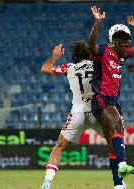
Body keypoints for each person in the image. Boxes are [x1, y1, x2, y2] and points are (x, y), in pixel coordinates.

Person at [89, 6, 134, 189]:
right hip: (100, 98)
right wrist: (97, 23)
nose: (127, 47)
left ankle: (118, 184)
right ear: (114, 42)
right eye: (124, 44)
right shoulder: (103, 52)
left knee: (114, 140)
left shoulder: (122, 55)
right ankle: (122, 165)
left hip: (113, 100)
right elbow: (90, 46)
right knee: (116, 121)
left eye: (128, 43)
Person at [39, 41, 103, 189]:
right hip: (97, 111)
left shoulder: (69, 68)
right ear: (89, 54)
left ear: (74, 56)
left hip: (78, 113)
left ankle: (47, 183)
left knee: (59, 146)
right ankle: (120, 179)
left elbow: (44, 68)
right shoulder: (98, 66)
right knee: (115, 141)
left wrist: (55, 56)